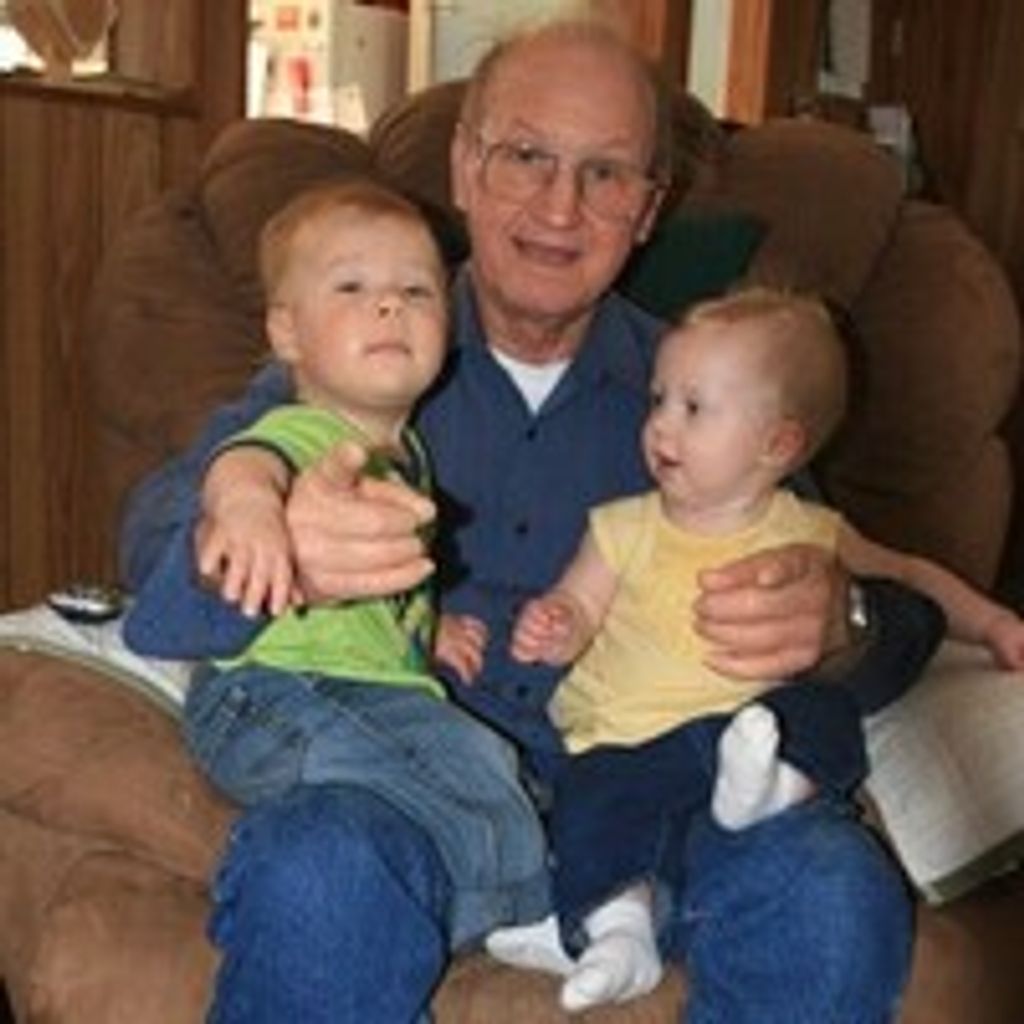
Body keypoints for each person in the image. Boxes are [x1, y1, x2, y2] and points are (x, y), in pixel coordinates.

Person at [119, 19, 943, 1024]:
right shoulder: (361, 350)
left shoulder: (710, 386)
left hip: (663, 797)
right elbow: (161, 529)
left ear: (648, 208)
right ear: (465, 167)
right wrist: (264, 535)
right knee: (320, 870)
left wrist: (842, 620)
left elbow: (896, 612)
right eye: (526, 157)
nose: (561, 207)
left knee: (832, 892)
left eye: (606, 174)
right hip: (403, 797)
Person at [485, 286, 1024, 1012]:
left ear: (778, 445)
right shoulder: (625, 526)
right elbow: (579, 603)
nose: (661, 424)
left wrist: (993, 625)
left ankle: (781, 788)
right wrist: (556, 626)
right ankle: (618, 932)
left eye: (693, 407)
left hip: (749, 740)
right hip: (628, 744)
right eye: (659, 400)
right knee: (595, 805)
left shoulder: (815, 533)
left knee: (821, 710)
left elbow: (911, 577)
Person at [125, 177, 551, 966]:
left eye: (416, 291)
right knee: (466, 761)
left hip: (344, 697)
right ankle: (521, 913)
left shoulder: (407, 453)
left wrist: (427, 631)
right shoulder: (308, 429)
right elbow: (245, 462)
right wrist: (249, 510)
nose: (389, 305)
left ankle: (440, 927)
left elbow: (375, 600)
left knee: (477, 762)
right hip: (272, 698)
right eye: (352, 287)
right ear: (287, 333)